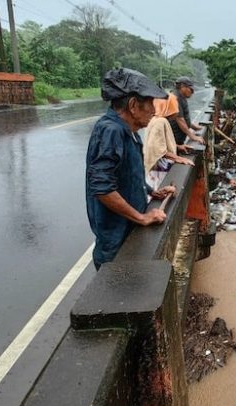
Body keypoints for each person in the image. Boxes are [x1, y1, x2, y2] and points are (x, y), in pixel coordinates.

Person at [86, 68, 176, 269]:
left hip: (128, 228)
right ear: (133, 105)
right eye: (150, 104)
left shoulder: (130, 131)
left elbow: (127, 174)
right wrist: (142, 217)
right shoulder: (111, 130)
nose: (154, 110)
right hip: (116, 237)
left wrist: (153, 191)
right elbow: (102, 187)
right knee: (119, 289)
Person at [143, 93, 195, 191]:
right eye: (174, 106)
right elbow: (158, 149)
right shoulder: (160, 122)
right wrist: (179, 158)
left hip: (155, 167)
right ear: (169, 106)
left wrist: (178, 146)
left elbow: (159, 143)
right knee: (161, 190)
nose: (177, 110)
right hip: (159, 168)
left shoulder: (156, 119)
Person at [169, 77, 206, 146]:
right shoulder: (175, 98)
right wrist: (192, 136)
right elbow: (179, 119)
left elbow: (182, 117)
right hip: (173, 139)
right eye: (191, 89)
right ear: (182, 86)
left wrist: (192, 126)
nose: (192, 92)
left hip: (178, 139)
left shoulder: (181, 97)